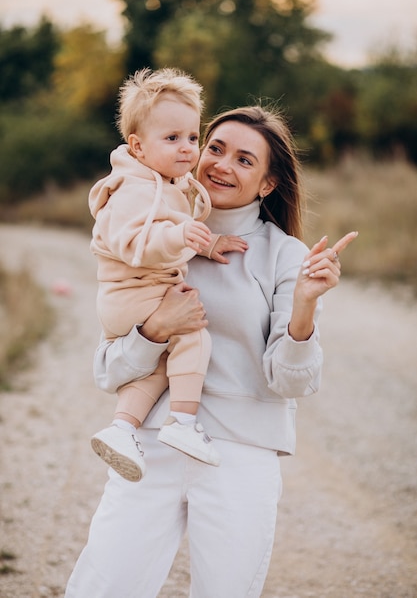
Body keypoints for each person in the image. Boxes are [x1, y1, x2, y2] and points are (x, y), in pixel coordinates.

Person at [65, 103, 357, 598]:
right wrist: (156, 329)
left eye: (245, 160)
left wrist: (304, 308)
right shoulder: (149, 235)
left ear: (267, 184)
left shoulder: (286, 256)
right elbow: (108, 371)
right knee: (104, 586)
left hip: (240, 456)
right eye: (215, 148)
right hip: (151, 446)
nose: (221, 164)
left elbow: (290, 382)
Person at [89, 67, 246, 481]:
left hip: (140, 293)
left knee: (161, 363)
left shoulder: (167, 182)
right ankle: (183, 423)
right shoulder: (131, 188)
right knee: (193, 335)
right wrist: (180, 234)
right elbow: (137, 242)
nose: (187, 149)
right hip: (133, 293)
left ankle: (123, 428)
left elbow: (176, 230)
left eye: (193, 138)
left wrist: (206, 243)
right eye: (172, 138)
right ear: (138, 146)